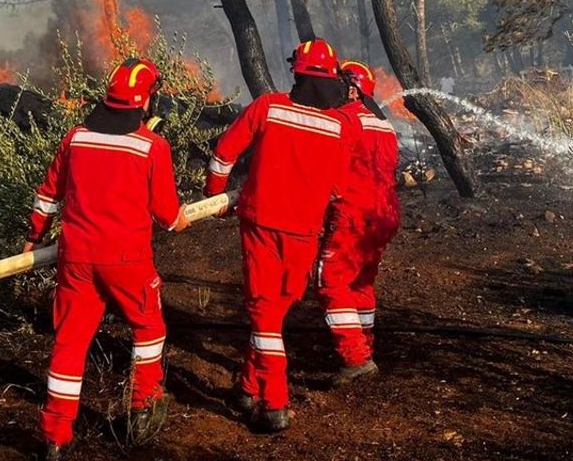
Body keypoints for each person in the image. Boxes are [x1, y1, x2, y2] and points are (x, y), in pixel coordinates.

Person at [25, 58, 189, 460]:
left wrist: (33, 238)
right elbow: (168, 215)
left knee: (70, 340)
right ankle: (143, 407)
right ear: (147, 99)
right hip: (126, 259)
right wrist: (182, 219)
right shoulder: (153, 147)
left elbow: (47, 194)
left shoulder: (76, 137)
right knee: (148, 327)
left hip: (76, 257)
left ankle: (56, 434)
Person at [203, 38, 357, 433]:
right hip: (305, 232)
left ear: (298, 71)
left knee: (265, 315)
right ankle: (247, 388)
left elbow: (223, 153)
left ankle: (274, 404)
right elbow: (340, 188)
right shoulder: (340, 126)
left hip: (261, 226)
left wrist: (215, 195)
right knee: (273, 313)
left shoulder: (267, 107)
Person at [316, 61, 401, 385]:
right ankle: (365, 347)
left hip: (353, 213)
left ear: (352, 89)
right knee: (361, 283)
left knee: (332, 282)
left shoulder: (341, 120)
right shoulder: (385, 125)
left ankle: (355, 357)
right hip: (384, 215)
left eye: (338, 84)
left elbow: (327, 170)